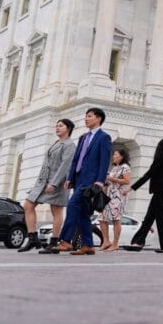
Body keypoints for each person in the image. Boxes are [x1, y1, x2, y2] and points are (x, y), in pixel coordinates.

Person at [47, 108, 113, 256]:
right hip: (78, 179)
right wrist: (70, 177)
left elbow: (104, 161)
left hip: (90, 181)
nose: (86, 119)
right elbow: (76, 158)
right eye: (86, 116)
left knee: (72, 204)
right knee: (83, 213)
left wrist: (100, 181)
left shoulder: (104, 137)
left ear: (98, 119)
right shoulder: (83, 137)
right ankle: (88, 245)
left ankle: (65, 240)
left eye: (89, 116)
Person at [20, 119, 76, 252]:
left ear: (68, 128)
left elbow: (65, 165)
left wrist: (54, 183)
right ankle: (33, 238)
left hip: (57, 183)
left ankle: (54, 241)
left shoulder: (69, 145)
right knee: (28, 205)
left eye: (60, 126)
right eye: (56, 126)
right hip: (43, 182)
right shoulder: (57, 143)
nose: (57, 128)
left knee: (56, 211)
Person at [121, 138, 163, 253]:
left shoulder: (159, 160)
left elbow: (147, 175)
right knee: (149, 218)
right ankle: (138, 242)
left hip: (159, 191)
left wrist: (130, 188)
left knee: (162, 219)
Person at [98, 148, 132, 252]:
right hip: (108, 194)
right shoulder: (113, 168)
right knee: (102, 218)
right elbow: (109, 181)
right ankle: (106, 241)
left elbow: (127, 181)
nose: (114, 156)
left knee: (115, 219)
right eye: (114, 155)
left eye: (116, 154)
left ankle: (115, 244)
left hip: (118, 195)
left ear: (121, 156)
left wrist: (112, 179)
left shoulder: (125, 167)